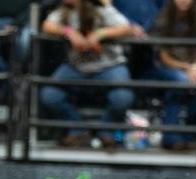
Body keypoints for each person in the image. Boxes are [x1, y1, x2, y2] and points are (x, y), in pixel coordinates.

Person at [38, 0, 137, 148]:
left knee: (122, 97)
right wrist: (70, 32)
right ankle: (78, 131)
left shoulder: (100, 8)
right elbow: (46, 26)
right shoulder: (65, 11)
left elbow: (126, 28)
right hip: (76, 67)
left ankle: (107, 133)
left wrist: (100, 33)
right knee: (50, 95)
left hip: (109, 65)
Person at [146, 0, 196, 150]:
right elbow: (163, 57)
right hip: (166, 68)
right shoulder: (162, 19)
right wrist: (187, 67)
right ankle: (170, 137)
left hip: (193, 67)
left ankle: (191, 136)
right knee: (180, 81)